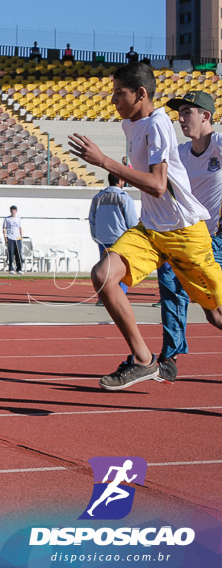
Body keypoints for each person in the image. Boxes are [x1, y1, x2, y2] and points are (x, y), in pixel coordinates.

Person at [68, 63, 222, 391]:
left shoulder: (159, 123)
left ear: (140, 94)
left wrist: (104, 162)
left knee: (216, 314)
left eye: (118, 93)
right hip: (150, 231)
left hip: (185, 233)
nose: (113, 100)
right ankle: (143, 359)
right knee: (102, 276)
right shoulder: (130, 125)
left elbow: (158, 185)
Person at [155, 91, 222, 383]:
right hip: (185, 239)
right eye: (179, 114)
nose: (181, 120)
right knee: (170, 286)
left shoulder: (220, 145)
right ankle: (169, 358)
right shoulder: (181, 153)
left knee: (215, 313)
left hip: (216, 240)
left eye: (186, 113)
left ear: (205, 116)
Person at [88, 173, 138, 296]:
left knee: (105, 269)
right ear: (120, 181)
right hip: (120, 239)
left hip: (103, 238)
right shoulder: (124, 198)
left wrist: (95, 235)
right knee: (121, 270)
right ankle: (120, 296)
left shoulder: (98, 197)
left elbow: (92, 219)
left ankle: (103, 297)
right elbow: (132, 221)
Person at [2, 205, 24, 273]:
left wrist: (21, 236)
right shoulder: (7, 218)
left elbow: (20, 227)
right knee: (11, 254)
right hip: (10, 238)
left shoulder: (18, 218)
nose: (13, 212)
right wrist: (5, 237)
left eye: (14, 211)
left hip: (17, 238)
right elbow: (4, 228)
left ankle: (19, 269)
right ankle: (11, 269)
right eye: (12, 211)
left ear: (16, 211)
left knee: (18, 254)